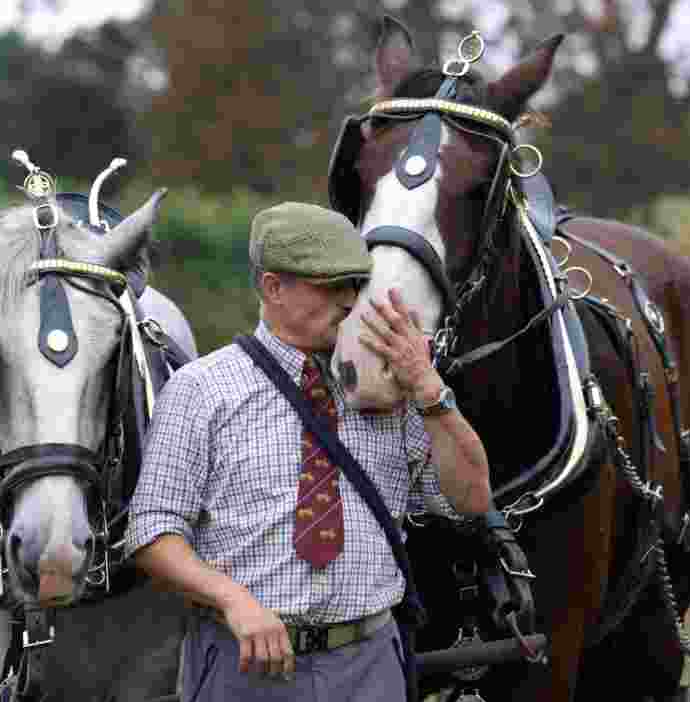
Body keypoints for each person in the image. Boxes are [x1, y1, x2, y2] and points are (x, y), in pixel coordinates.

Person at [126, 202, 491, 701]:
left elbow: (470, 501)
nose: (349, 300)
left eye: (356, 284)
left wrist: (429, 389)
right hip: (243, 665)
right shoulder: (201, 389)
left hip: (368, 665)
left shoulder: (393, 385)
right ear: (274, 286)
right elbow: (152, 533)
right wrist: (233, 601)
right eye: (332, 284)